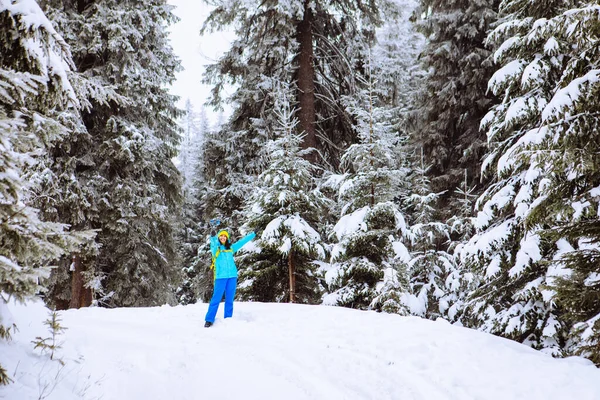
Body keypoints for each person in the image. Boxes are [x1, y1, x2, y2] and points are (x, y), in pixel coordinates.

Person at [204, 228, 256, 327]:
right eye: (221, 236)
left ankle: (228, 318)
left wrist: (253, 234)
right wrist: (213, 236)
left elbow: (242, 242)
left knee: (230, 299)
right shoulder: (216, 249)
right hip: (220, 277)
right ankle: (209, 319)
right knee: (216, 298)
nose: (223, 237)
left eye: (225, 236)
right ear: (219, 238)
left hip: (232, 276)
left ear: (227, 238)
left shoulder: (230, 248)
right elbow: (213, 244)